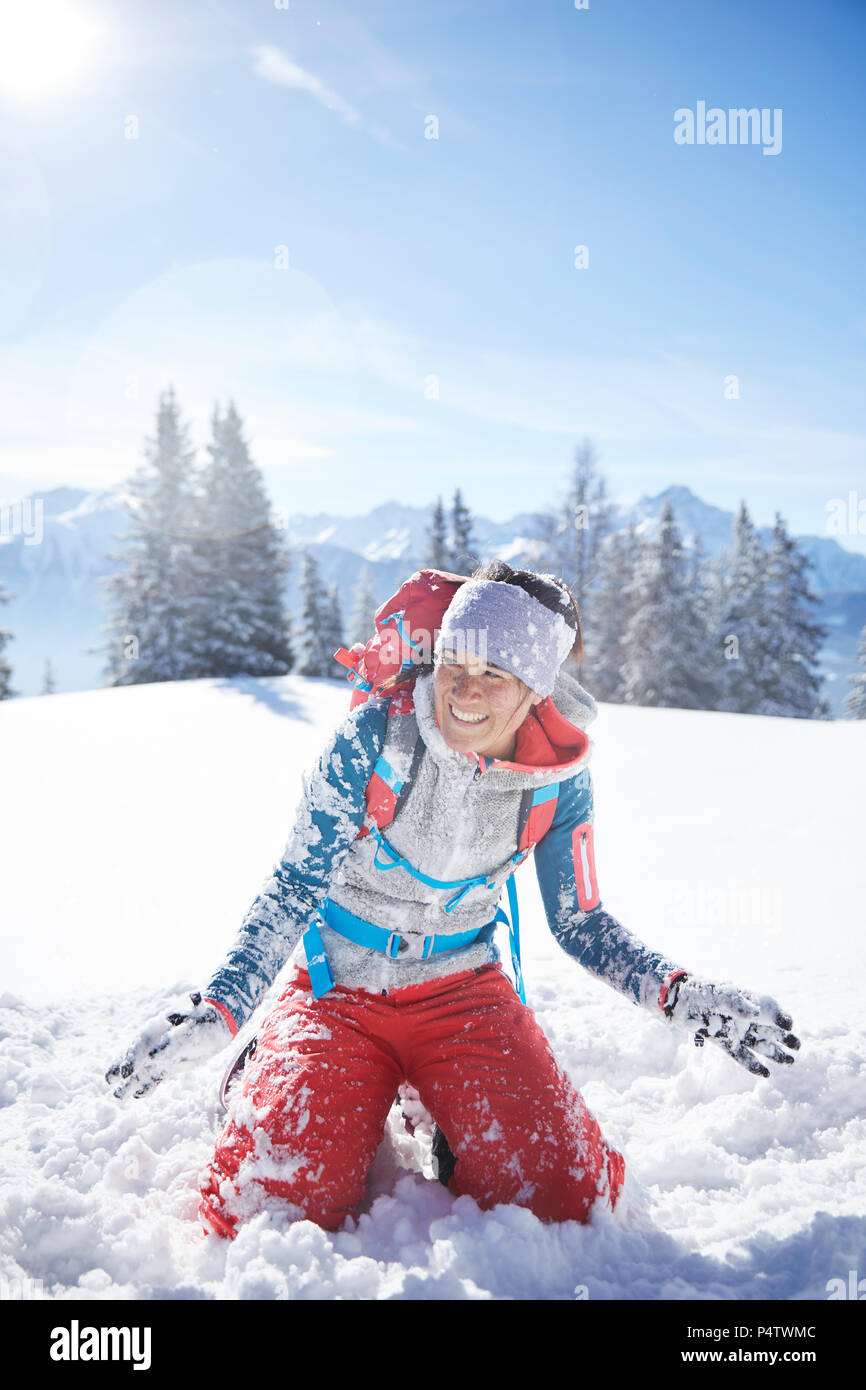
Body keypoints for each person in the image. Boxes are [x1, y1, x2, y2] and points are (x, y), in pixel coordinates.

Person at [106, 561, 799, 1237]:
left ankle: (436, 1104)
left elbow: (580, 921)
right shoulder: (375, 738)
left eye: (494, 674)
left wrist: (678, 994)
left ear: (537, 686)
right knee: (270, 1207)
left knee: (564, 1196)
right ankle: (270, 1060)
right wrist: (222, 1008)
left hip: (463, 991)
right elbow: (293, 887)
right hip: (336, 986)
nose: (464, 690)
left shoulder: (557, 777)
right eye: (456, 663)